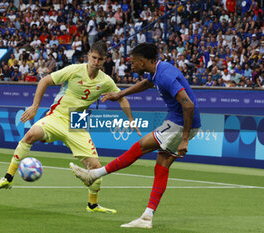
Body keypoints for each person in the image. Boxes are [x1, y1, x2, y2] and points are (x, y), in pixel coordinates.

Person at [0, 41, 141, 214]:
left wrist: (130, 119)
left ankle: (92, 205)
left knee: (96, 168)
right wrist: (35, 107)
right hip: (57, 116)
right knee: (30, 135)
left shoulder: (105, 81)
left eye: (100, 59)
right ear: (89, 55)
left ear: (104, 61)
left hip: (77, 121)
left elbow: (121, 97)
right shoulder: (74, 70)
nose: (96, 62)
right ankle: (8, 178)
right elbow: (44, 81)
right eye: (94, 58)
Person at [70, 43, 201, 228]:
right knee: (161, 167)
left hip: (180, 124)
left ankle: (94, 175)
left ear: (142, 61)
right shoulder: (158, 71)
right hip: (178, 121)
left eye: (133, 62)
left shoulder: (165, 76)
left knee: (139, 147)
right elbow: (147, 83)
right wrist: (121, 94)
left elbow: (188, 104)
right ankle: (147, 218)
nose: (131, 65)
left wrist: (185, 138)